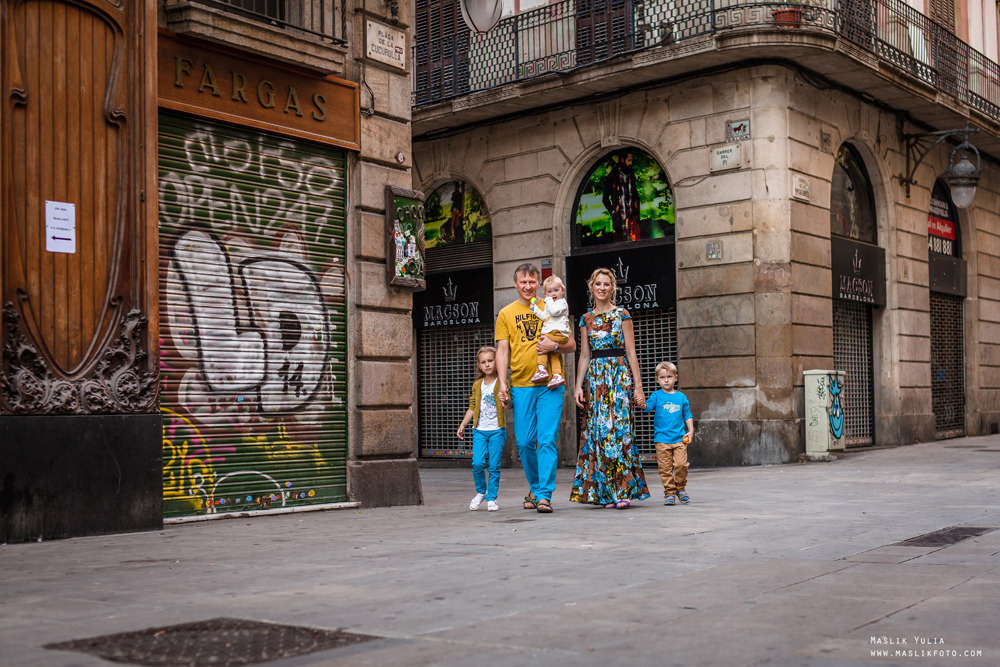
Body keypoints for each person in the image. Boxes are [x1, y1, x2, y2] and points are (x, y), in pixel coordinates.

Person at [495, 263, 577, 514]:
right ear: (516, 284)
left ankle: (543, 495)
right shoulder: (506, 313)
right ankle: (536, 485)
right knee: (525, 441)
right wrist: (503, 382)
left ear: (538, 284)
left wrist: (553, 347)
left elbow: (571, 344)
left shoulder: (551, 304)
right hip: (521, 384)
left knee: (548, 439)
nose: (528, 286)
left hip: (551, 384)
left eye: (532, 282)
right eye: (523, 282)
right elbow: (502, 350)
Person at [570, 267, 650, 509]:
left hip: (619, 377)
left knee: (620, 432)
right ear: (591, 287)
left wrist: (638, 386)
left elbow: (631, 352)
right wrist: (577, 387)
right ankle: (606, 493)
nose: (602, 288)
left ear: (612, 287)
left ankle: (623, 489)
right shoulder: (586, 319)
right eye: (598, 284)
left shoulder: (622, 315)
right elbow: (584, 355)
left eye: (607, 284)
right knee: (599, 435)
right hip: (595, 381)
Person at [456, 346, 506, 511]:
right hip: (479, 430)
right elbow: (472, 406)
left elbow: (509, 403)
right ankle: (480, 492)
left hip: (497, 430)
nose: (487, 365)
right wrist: (463, 424)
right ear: (479, 365)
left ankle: (491, 498)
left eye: (491, 361)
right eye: (483, 362)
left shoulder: (502, 382)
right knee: (477, 463)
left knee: (493, 465)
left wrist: (506, 401)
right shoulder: (477, 385)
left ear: (496, 362)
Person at [643, 361, 695, 505]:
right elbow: (647, 407)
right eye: (662, 377)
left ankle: (681, 488)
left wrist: (690, 431)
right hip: (662, 439)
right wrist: (641, 403)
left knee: (681, 465)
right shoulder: (656, 395)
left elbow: (687, 415)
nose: (666, 380)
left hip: (679, 439)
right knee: (665, 469)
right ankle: (669, 493)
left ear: (675, 378)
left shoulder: (681, 397)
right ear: (657, 379)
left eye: (669, 376)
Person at [528, 275, 570, 389]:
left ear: (562, 290)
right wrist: (535, 309)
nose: (553, 294)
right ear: (546, 293)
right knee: (552, 353)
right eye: (550, 292)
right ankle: (557, 375)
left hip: (558, 332)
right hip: (554, 332)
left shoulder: (562, 303)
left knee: (542, 344)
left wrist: (547, 300)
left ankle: (541, 369)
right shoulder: (550, 304)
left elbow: (554, 311)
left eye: (556, 290)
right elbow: (545, 317)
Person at [602, 151, 641, 242]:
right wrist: (613, 210)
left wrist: (636, 209)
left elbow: (635, 194)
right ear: (622, 160)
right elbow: (605, 198)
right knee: (621, 243)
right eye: (629, 160)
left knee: (635, 242)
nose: (630, 163)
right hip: (620, 219)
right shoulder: (612, 176)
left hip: (632, 217)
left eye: (631, 161)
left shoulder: (631, 174)